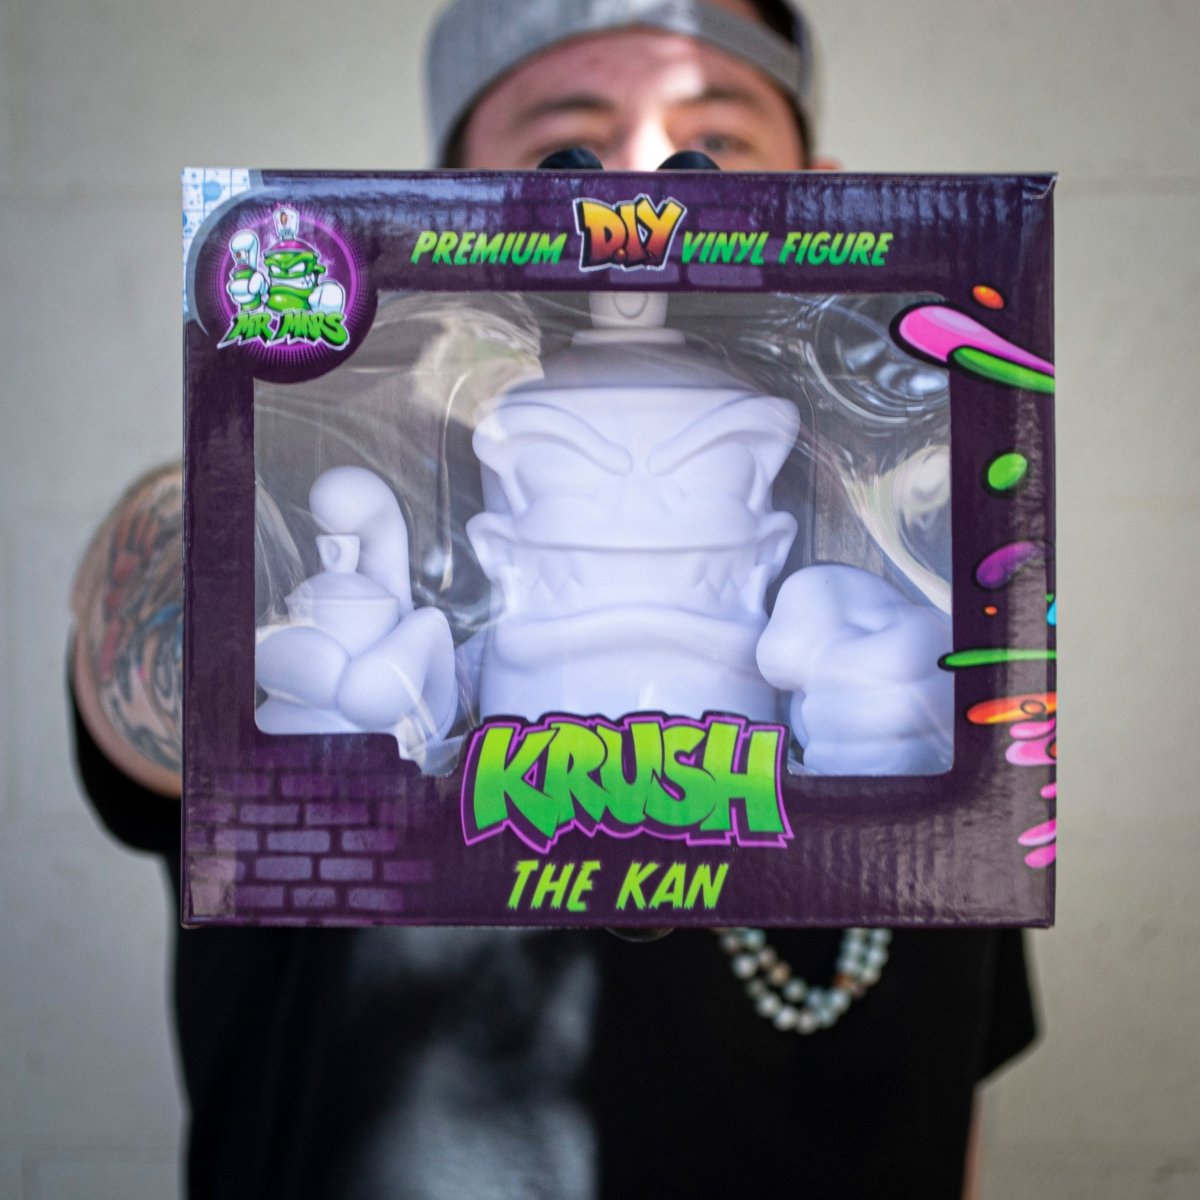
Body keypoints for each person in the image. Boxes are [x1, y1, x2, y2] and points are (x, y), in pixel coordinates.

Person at [70, 3, 1036, 1197]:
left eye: (717, 141)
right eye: (558, 149)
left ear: (831, 196)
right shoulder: (346, 524)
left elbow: (949, 1099)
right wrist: (347, 418)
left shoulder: (925, 621)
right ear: (449, 203)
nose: (637, 191)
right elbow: (149, 654)